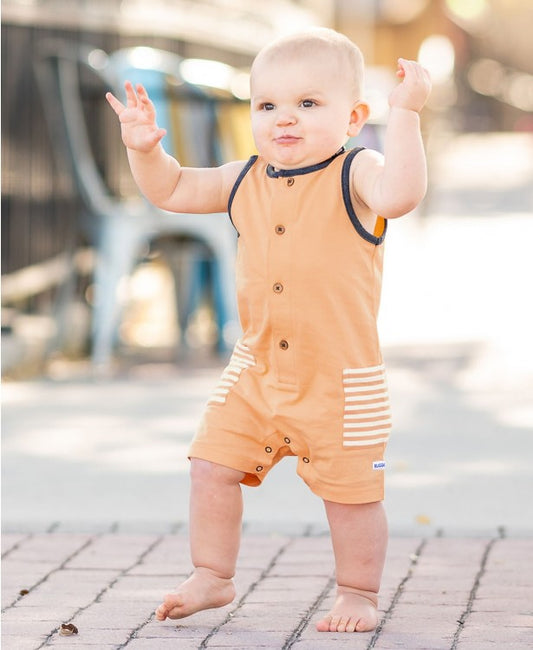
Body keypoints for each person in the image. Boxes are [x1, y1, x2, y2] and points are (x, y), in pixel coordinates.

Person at [106, 27, 431, 634]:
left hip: (341, 382)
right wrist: (145, 150)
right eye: (268, 105)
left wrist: (407, 114)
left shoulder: (357, 172)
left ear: (354, 116)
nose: (286, 118)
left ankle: (358, 591)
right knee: (210, 464)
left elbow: (402, 194)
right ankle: (213, 574)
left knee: (351, 497)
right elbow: (174, 189)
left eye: (308, 104)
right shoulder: (244, 177)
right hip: (255, 369)